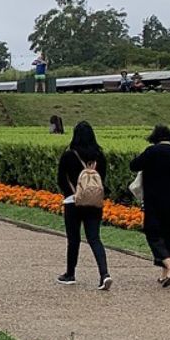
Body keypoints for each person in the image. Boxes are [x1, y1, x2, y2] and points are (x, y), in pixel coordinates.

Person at [130, 125, 170, 288]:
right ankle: (166, 273)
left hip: (155, 201)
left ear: (154, 138)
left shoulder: (151, 151)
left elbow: (133, 165)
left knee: (153, 234)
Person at [56, 121, 112, 290]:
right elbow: (103, 179)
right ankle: (104, 274)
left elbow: (60, 179)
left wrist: (71, 193)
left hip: (73, 202)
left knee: (73, 239)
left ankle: (70, 273)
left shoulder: (69, 155)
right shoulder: (99, 156)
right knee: (94, 238)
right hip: (94, 203)